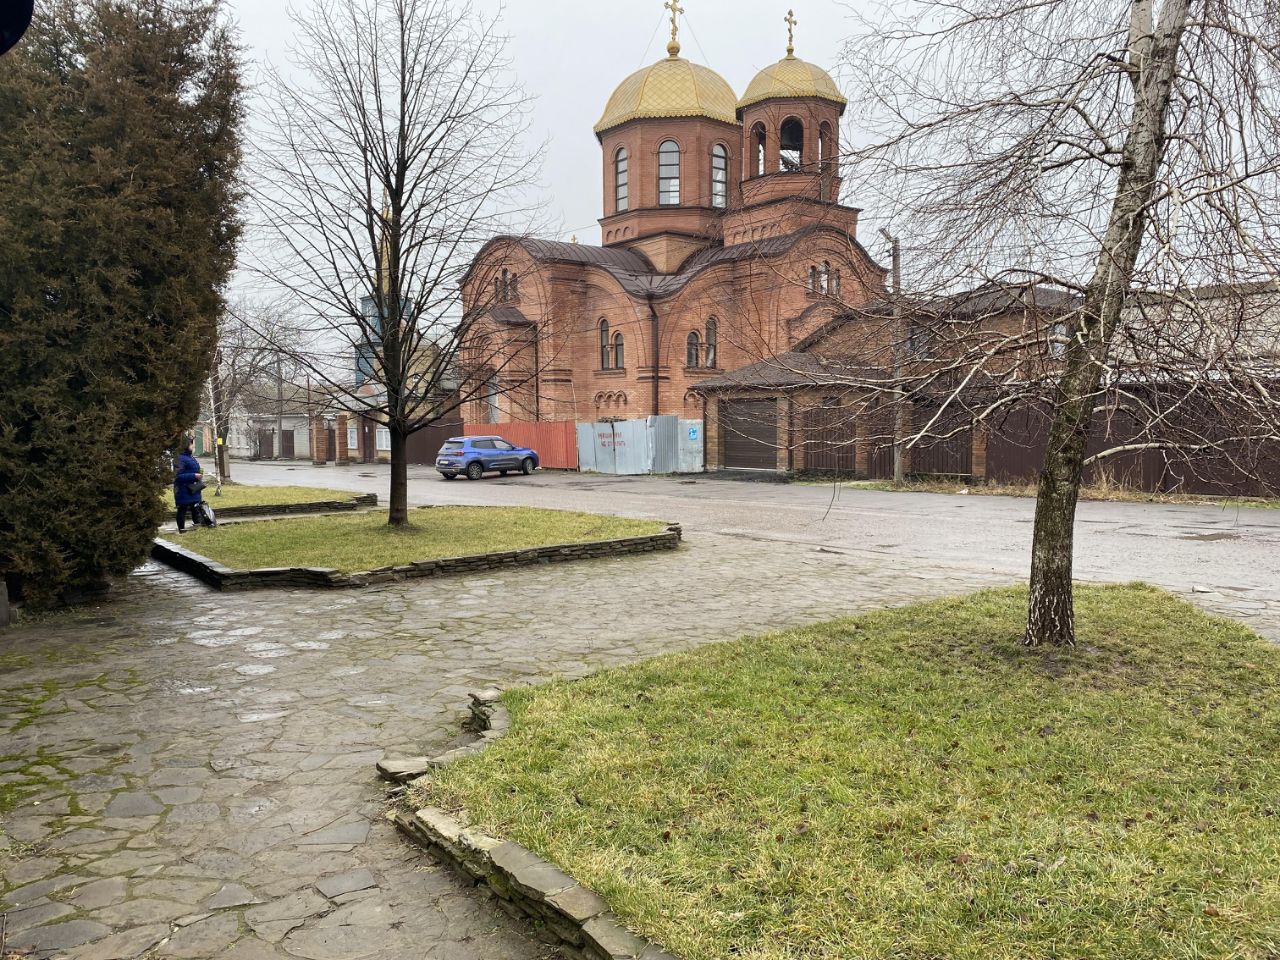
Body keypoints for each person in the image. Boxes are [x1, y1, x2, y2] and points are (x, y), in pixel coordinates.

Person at [173, 438, 212, 533]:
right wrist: (194, 475)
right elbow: (178, 476)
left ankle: (197, 529)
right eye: (191, 445)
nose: (193, 447)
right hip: (183, 489)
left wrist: (198, 474)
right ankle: (181, 530)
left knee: (196, 509)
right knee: (182, 510)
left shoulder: (190, 457)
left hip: (194, 489)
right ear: (185, 446)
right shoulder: (179, 458)